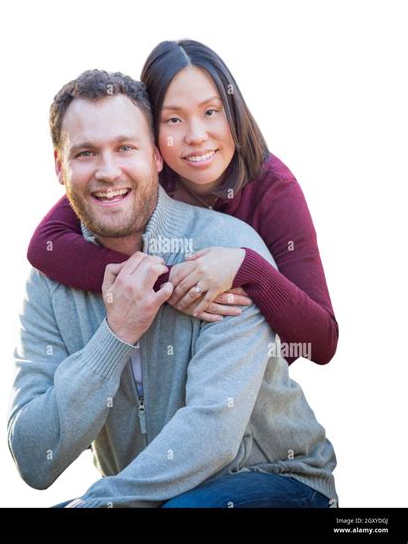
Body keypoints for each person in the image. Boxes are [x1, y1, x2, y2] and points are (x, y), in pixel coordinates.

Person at [8, 69, 338, 508]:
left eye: (126, 148)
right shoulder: (51, 281)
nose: (108, 171)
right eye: (85, 153)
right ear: (59, 166)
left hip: (277, 481)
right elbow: (33, 458)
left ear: (156, 158)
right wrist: (117, 333)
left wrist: (97, 504)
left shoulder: (226, 253)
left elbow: (212, 432)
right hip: (142, 498)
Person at [27, 39, 338, 366]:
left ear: (233, 111)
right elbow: (45, 244)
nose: (196, 135)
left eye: (210, 112)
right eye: (174, 119)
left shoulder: (274, 189)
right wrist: (173, 284)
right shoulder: (137, 175)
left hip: (242, 378)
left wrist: (246, 268)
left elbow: (321, 342)